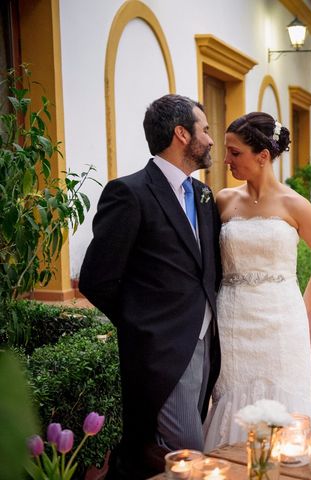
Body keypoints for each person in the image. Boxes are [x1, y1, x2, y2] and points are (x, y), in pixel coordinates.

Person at [79, 94, 222, 479]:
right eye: (204, 129)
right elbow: (96, 278)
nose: (210, 139)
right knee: (189, 457)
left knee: (173, 456)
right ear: (181, 134)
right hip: (161, 352)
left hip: (206, 344)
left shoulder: (204, 196)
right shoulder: (130, 193)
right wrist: (146, 327)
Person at [203, 112, 311, 449]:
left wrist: (302, 310)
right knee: (232, 402)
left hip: (282, 322)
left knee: (286, 403)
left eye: (235, 153)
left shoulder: (295, 204)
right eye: (227, 151)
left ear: (263, 156)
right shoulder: (223, 200)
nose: (226, 160)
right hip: (234, 321)